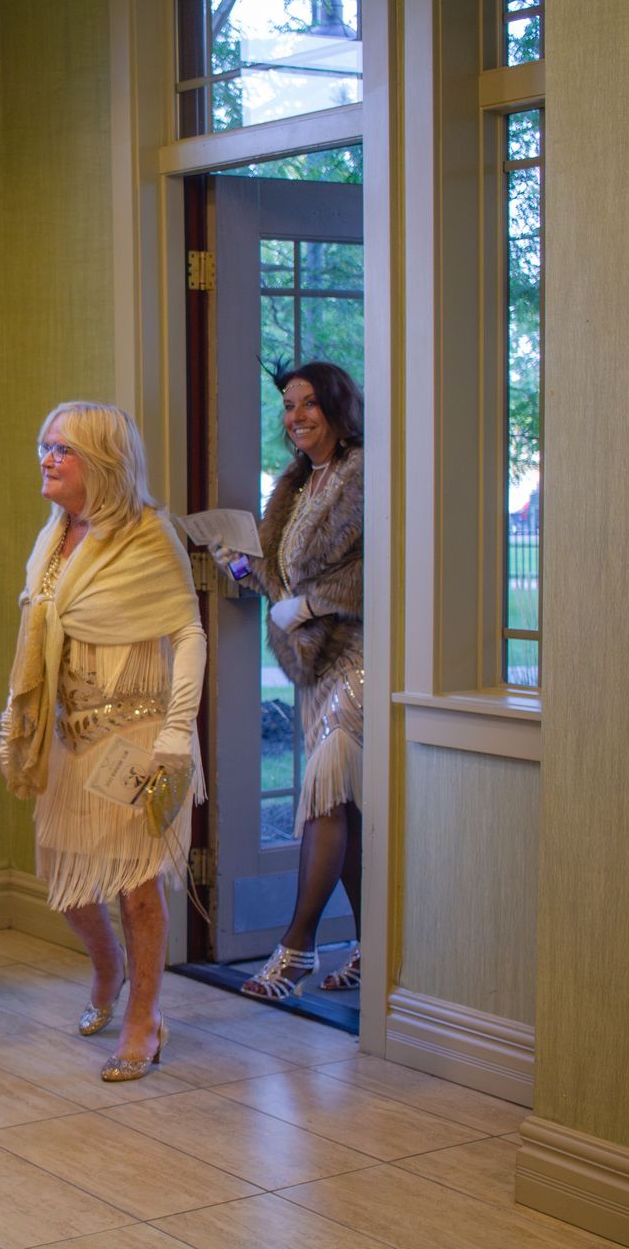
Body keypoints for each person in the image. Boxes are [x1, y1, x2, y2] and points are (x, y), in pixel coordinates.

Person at [0, 402, 205, 1082]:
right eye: (43, 445)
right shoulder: (52, 535)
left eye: (62, 449)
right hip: (69, 734)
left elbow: (189, 631)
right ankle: (108, 964)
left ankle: (143, 1019)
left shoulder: (148, 535)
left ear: (104, 464)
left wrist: (178, 732)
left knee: (138, 889)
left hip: (138, 733)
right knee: (63, 877)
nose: (46, 459)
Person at [210, 360, 365, 999]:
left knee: (325, 794)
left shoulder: (366, 472)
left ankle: (296, 949)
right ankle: (372, 943)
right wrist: (247, 572)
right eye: (287, 405)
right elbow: (286, 585)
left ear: (334, 407)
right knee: (347, 806)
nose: (295, 416)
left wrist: (312, 604)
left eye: (307, 404)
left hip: (361, 655)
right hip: (313, 667)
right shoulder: (296, 485)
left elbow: (385, 565)